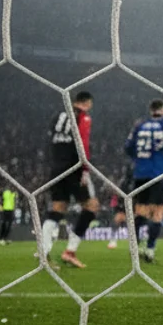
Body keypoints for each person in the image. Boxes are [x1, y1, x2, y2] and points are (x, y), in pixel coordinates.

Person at [41, 91, 98, 269]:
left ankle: (44, 254)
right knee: (91, 206)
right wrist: (86, 169)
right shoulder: (83, 117)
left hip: (57, 167)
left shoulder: (57, 116)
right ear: (87, 103)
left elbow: (51, 141)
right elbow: (83, 143)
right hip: (74, 167)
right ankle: (70, 251)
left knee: (58, 208)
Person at [125, 99, 163, 263]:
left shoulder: (139, 125)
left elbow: (128, 147)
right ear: (162, 110)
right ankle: (150, 249)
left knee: (140, 211)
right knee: (158, 212)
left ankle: (136, 246)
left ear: (150, 110)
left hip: (140, 172)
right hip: (158, 172)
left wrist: (139, 159)